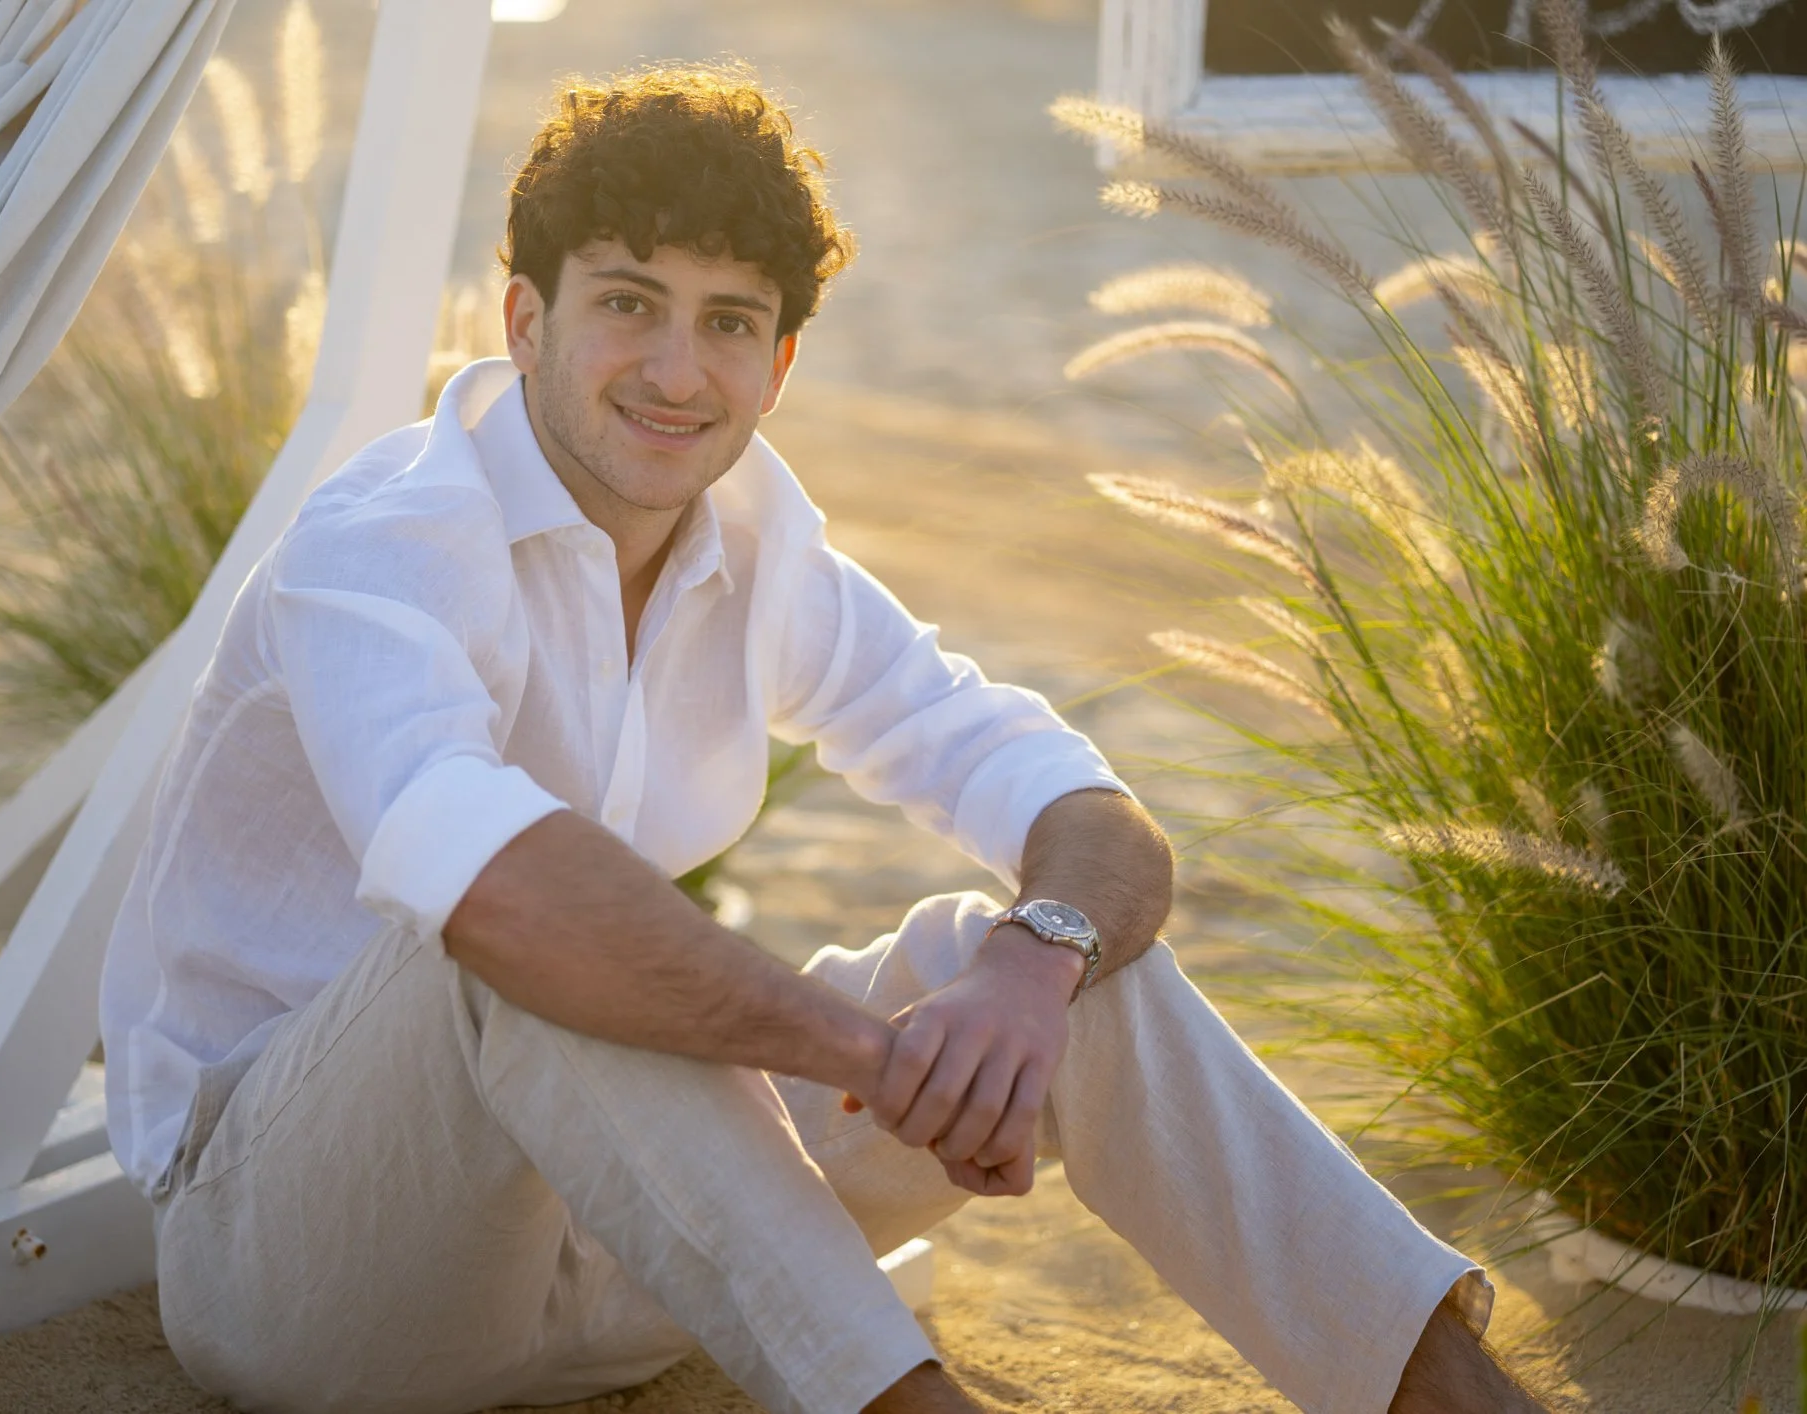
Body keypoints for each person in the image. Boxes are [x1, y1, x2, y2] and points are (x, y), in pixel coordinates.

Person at [99, 64, 1544, 1414]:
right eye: (628, 302)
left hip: (625, 1258)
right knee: (539, 933)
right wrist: (863, 1043)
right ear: (524, 320)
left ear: (779, 364)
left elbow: (1092, 814)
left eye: (728, 320)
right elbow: (507, 902)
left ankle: (1446, 1393)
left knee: (1066, 965)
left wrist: (1034, 966)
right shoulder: (388, 542)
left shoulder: (764, 558)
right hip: (311, 1269)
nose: (677, 368)